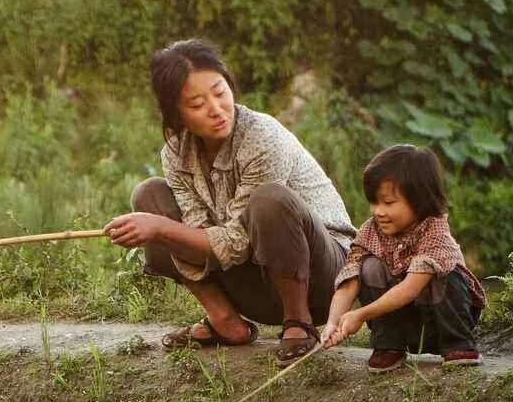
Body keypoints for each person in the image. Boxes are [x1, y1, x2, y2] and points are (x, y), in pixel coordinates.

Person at [104, 39, 357, 366]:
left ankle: (299, 324)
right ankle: (225, 321)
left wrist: (162, 229)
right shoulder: (176, 154)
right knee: (149, 196)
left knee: (269, 200)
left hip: (323, 280)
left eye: (220, 92)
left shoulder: (263, 136)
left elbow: (236, 242)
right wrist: (158, 228)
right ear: (175, 114)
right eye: (196, 104)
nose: (216, 108)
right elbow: (201, 235)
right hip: (255, 279)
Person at [320, 145, 486, 372]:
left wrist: (360, 314)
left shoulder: (435, 231)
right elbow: (350, 280)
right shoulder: (371, 230)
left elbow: (410, 288)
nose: (378, 211)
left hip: (438, 322)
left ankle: (457, 343)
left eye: (388, 203)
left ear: (419, 200)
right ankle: (389, 346)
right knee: (368, 267)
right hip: (404, 321)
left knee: (446, 272)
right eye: (374, 202)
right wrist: (333, 322)